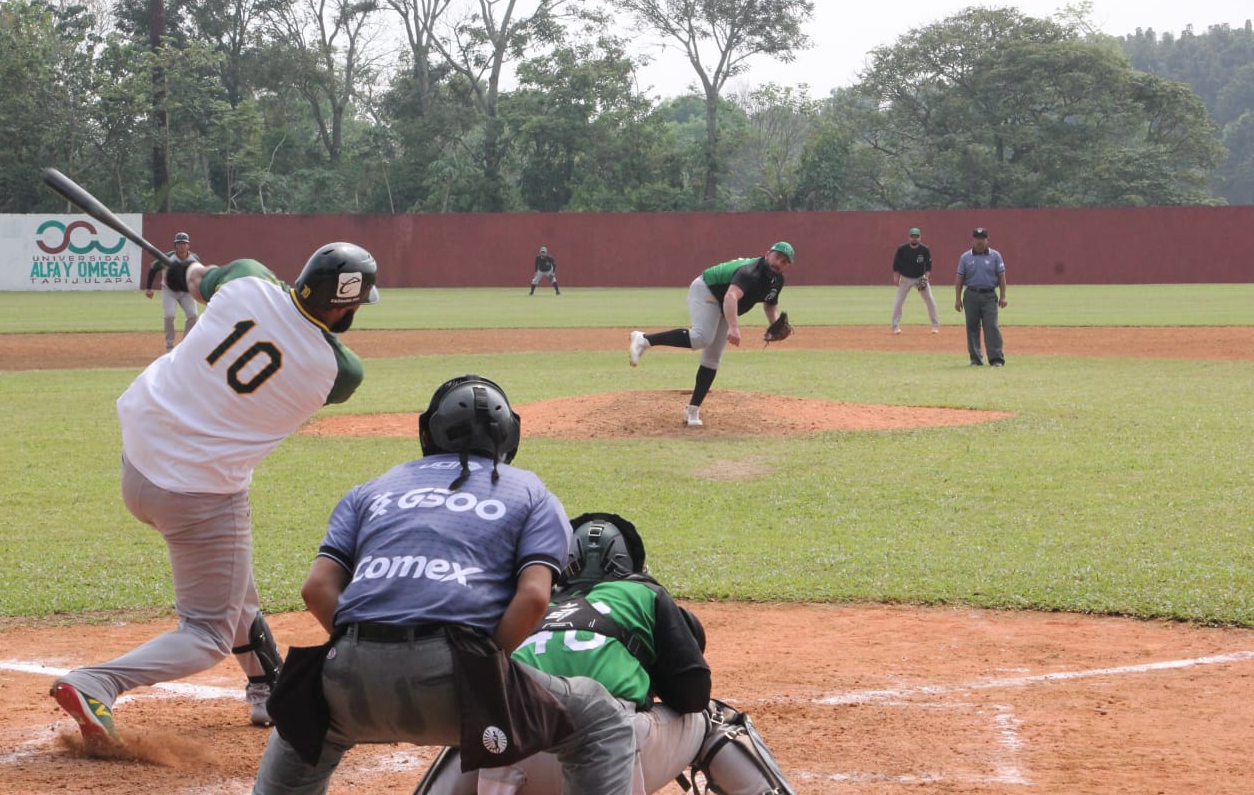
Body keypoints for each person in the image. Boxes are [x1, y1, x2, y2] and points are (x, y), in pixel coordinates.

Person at [50, 242, 380, 748]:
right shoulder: (340, 372)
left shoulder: (247, 278)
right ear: (344, 308)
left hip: (138, 462)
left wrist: (183, 272)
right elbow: (312, 343)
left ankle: (268, 687)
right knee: (207, 634)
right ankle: (98, 683)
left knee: (230, 580)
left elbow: (197, 278)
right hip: (197, 495)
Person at [251, 376, 635, 795]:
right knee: (599, 721)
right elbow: (534, 597)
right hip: (457, 677)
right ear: (509, 435)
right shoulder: (531, 492)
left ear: (428, 433)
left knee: (301, 724)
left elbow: (316, 588)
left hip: (348, 673)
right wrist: (483, 671)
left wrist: (366, 653)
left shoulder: (373, 489)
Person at [412, 513, 797, 795]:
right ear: (632, 566)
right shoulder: (641, 592)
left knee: (483, 722)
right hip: (609, 757)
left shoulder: (531, 603)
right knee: (713, 717)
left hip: (508, 761)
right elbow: (692, 694)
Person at [628, 241, 794, 428]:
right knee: (702, 337)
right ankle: (643, 339)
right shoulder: (750, 272)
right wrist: (733, 327)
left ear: (787, 266)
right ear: (767, 254)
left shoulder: (777, 281)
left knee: (713, 358)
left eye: (784, 261)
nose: (779, 263)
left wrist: (774, 324)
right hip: (707, 289)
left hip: (725, 304)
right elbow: (731, 296)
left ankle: (692, 410)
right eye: (777, 257)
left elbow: (770, 304)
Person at [954, 227, 1008, 366]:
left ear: (987, 240)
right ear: (972, 240)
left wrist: (1003, 296)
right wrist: (957, 299)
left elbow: (1001, 276)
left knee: (992, 327)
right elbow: (959, 278)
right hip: (971, 295)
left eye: (982, 239)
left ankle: (996, 358)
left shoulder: (995, 256)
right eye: (977, 239)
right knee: (972, 327)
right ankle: (976, 359)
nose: (980, 242)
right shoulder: (965, 257)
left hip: (989, 295)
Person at [145, 231, 202, 351]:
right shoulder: (167, 258)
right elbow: (153, 268)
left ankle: (186, 343)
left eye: (184, 243)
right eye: (179, 243)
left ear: (188, 245)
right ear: (175, 245)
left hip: (186, 291)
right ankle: (169, 344)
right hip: (169, 290)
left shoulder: (194, 258)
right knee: (169, 316)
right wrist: (149, 288)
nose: (182, 246)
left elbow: (198, 273)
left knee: (193, 315)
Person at [890, 227, 939, 334]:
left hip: (920, 278)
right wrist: (896, 277)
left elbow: (929, 265)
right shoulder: (902, 249)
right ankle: (895, 326)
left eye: (916, 236)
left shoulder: (924, 249)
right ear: (909, 237)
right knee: (898, 302)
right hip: (905, 279)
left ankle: (935, 326)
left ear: (920, 237)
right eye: (912, 236)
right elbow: (896, 264)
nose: (914, 238)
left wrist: (926, 277)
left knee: (930, 300)